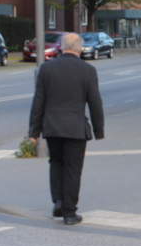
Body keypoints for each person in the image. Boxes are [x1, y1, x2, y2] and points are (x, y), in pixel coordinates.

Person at [28, 33, 104, 225]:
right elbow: (95, 102)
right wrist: (98, 130)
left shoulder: (46, 68)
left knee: (56, 162)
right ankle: (70, 212)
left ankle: (59, 201)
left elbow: (39, 101)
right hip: (76, 128)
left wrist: (34, 131)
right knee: (73, 169)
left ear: (61, 48)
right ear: (79, 48)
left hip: (52, 127)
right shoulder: (88, 70)